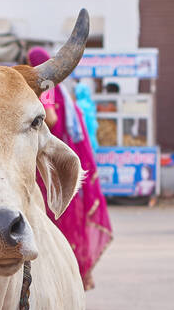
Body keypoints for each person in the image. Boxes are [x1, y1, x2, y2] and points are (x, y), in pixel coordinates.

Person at [27, 46, 113, 289]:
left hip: (52, 163)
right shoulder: (60, 88)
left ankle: (66, 276)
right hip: (60, 162)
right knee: (67, 215)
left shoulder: (45, 86)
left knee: (56, 217)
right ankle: (78, 275)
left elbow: (51, 118)